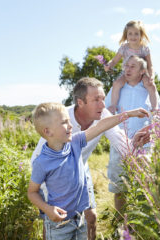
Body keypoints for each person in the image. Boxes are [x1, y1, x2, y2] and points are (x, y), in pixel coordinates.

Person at [30, 77, 151, 240]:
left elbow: (121, 144)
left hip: (79, 167)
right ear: (80, 102)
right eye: (96, 100)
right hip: (51, 175)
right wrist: (48, 206)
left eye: (103, 98)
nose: (103, 104)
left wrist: (134, 144)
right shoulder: (58, 120)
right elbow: (38, 172)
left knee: (91, 217)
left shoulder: (102, 117)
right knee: (54, 220)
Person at [105, 55, 160, 215]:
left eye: (132, 66)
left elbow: (159, 115)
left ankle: (144, 222)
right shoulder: (117, 88)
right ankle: (120, 221)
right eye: (126, 66)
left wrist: (152, 132)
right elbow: (106, 112)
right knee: (119, 186)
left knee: (145, 185)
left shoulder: (150, 90)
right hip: (120, 144)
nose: (127, 69)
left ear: (143, 71)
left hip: (144, 145)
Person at [104, 20, 158, 114]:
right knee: (117, 83)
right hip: (127, 73)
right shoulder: (124, 48)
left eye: (136, 34)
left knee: (150, 85)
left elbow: (150, 65)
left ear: (141, 34)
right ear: (126, 35)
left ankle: (155, 108)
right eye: (130, 34)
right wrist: (109, 65)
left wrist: (151, 76)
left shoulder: (144, 49)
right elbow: (114, 60)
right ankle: (113, 105)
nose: (133, 36)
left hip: (141, 73)